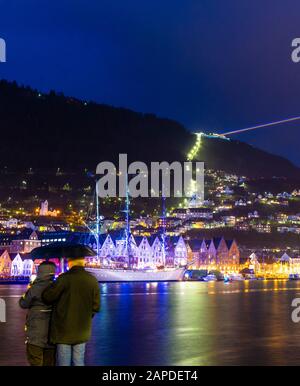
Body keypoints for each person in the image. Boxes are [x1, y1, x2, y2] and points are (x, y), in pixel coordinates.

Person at [42, 257, 100, 366]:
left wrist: (49, 286)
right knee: (79, 361)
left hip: (64, 328)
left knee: (63, 362)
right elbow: (96, 306)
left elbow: (48, 297)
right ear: (83, 263)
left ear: (70, 263)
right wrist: (86, 316)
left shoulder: (64, 279)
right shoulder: (92, 280)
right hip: (82, 328)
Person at [19, 261, 57, 366]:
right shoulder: (57, 287)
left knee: (35, 361)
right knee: (49, 363)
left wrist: (29, 288)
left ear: (40, 272)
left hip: (35, 334)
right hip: (52, 334)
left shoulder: (35, 288)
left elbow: (23, 303)